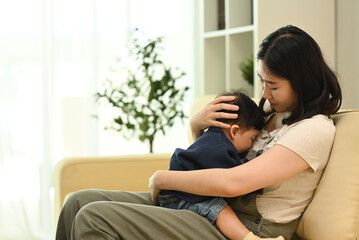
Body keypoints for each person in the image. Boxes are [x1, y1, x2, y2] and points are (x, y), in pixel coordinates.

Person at [55, 25, 342, 240]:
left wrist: (164, 177)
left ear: (302, 81)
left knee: (94, 217)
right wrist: (196, 127)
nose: (264, 93)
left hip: (246, 227)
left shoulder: (314, 130)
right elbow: (215, 163)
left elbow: (233, 183)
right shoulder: (273, 115)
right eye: (261, 81)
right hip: (213, 208)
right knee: (78, 202)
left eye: (273, 85)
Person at [158, 90, 279, 240]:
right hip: (178, 199)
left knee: (220, 209)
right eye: (252, 138)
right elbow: (237, 181)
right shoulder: (219, 149)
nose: (252, 145)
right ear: (235, 131)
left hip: (181, 194)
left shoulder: (214, 140)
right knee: (221, 211)